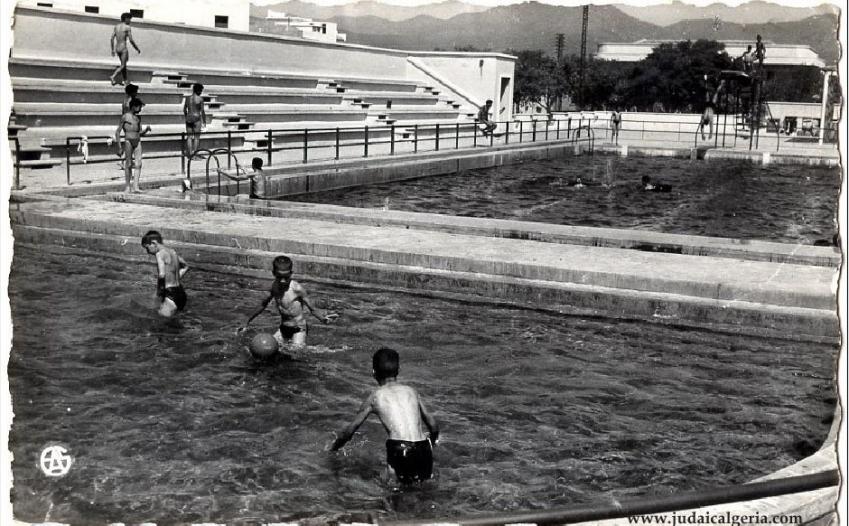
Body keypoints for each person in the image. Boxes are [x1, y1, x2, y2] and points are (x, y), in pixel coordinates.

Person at [330, 348, 440, 485]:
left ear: (373, 373)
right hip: (423, 447)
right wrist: (432, 443)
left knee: (390, 493)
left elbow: (350, 430)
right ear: (398, 371)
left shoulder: (375, 397)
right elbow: (433, 425)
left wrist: (334, 449)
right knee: (421, 490)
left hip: (400, 448)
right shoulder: (411, 392)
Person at [238, 255, 337, 349]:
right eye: (279, 276)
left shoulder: (297, 289)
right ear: (274, 273)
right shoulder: (274, 288)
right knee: (265, 348)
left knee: (296, 353)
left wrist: (322, 319)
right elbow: (263, 304)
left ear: (291, 273)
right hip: (283, 328)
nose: (282, 280)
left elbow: (312, 309)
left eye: (286, 277)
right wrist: (246, 321)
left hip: (298, 329)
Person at [141, 230, 189, 317]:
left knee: (159, 321)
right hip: (181, 293)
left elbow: (162, 274)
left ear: (154, 243)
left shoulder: (159, 254)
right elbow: (186, 266)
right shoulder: (173, 251)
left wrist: (159, 292)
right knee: (176, 321)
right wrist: (176, 278)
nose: (147, 251)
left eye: (147, 247)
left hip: (170, 294)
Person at [115, 97, 151, 193]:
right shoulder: (125, 116)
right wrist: (119, 146)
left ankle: (136, 186)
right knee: (129, 164)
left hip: (137, 141)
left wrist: (146, 130)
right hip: (128, 141)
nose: (140, 109)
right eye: (139, 107)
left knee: (139, 164)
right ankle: (127, 186)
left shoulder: (138, 118)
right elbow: (117, 132)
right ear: (134, 107)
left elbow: (139, 133)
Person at [109, 12, 141, 86]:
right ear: (126, 19)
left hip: (117, 48)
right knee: (123, 65)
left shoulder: (116, 26)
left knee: (123, 65)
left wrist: (112, 50)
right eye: (129, 19)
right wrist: (137, 48)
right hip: (123, 48)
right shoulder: (127, 27)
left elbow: (111, 38)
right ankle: (113, 76)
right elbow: (131, 40)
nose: (130, 21)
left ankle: (125, 80)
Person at [183, 83, 207, 157]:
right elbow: (202, 111)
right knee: (196, 138)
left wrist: (186, 117)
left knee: (189, 137)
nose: (201, 92)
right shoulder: (200, 99)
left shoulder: (187, 98)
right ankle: (195, 155)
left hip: (189, 118)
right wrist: (204, 121)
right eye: (201, 90)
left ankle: (190, 154)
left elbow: (184, 110)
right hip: (196, 118)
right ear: (198, 90)